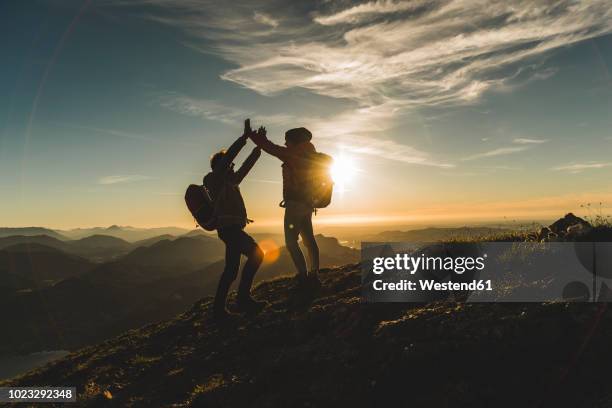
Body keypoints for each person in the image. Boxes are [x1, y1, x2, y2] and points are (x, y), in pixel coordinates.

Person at [204, 119, 266, 322]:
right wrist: (244, 138)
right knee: (257, 254)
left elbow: (245, 168)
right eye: (229, 164)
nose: (232, 166)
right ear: (221, 166)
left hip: (231, 229)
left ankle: (219, 311)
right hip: (229, 230)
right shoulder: (214, 180)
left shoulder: (230, 181)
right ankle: (242, 300)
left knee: (230, 271)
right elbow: (229, 158)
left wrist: (258, 148)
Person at [249, 126, 321, 287]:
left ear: (294, 141)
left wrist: (253, 135)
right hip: (308, 204)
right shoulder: (312, 155)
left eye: (287, 140)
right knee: (309, 239)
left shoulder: (293, 154)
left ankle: (303, 275)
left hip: (295, 204)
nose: (285, 143)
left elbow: (271, 148)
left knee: (291, 241)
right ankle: (314, 274)